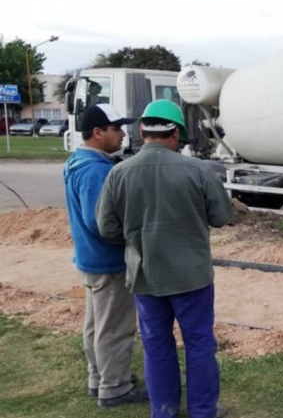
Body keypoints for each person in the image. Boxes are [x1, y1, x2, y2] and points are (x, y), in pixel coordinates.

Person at [96, 99, 233, 418]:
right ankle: (202, 410)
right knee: (199, 344)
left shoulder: (118, 173)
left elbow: (106, 227)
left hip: (146, 276)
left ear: (142, 131)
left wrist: (136, 241)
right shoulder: (199, 171)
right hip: (192, 278)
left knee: (157, 345)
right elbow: (221, 216)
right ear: (176, 134)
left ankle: (164, 410)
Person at [63, 104, 149, 408]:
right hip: (109, 263)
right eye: (117, 128)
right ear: (97, 132)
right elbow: (99, 222)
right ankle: (115, 388)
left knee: (96, 325)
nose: (123, 134)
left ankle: (98, 378)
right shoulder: (96, 171)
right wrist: (132, 237)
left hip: (89, 260)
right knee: (115, 328)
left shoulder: (77, 162)